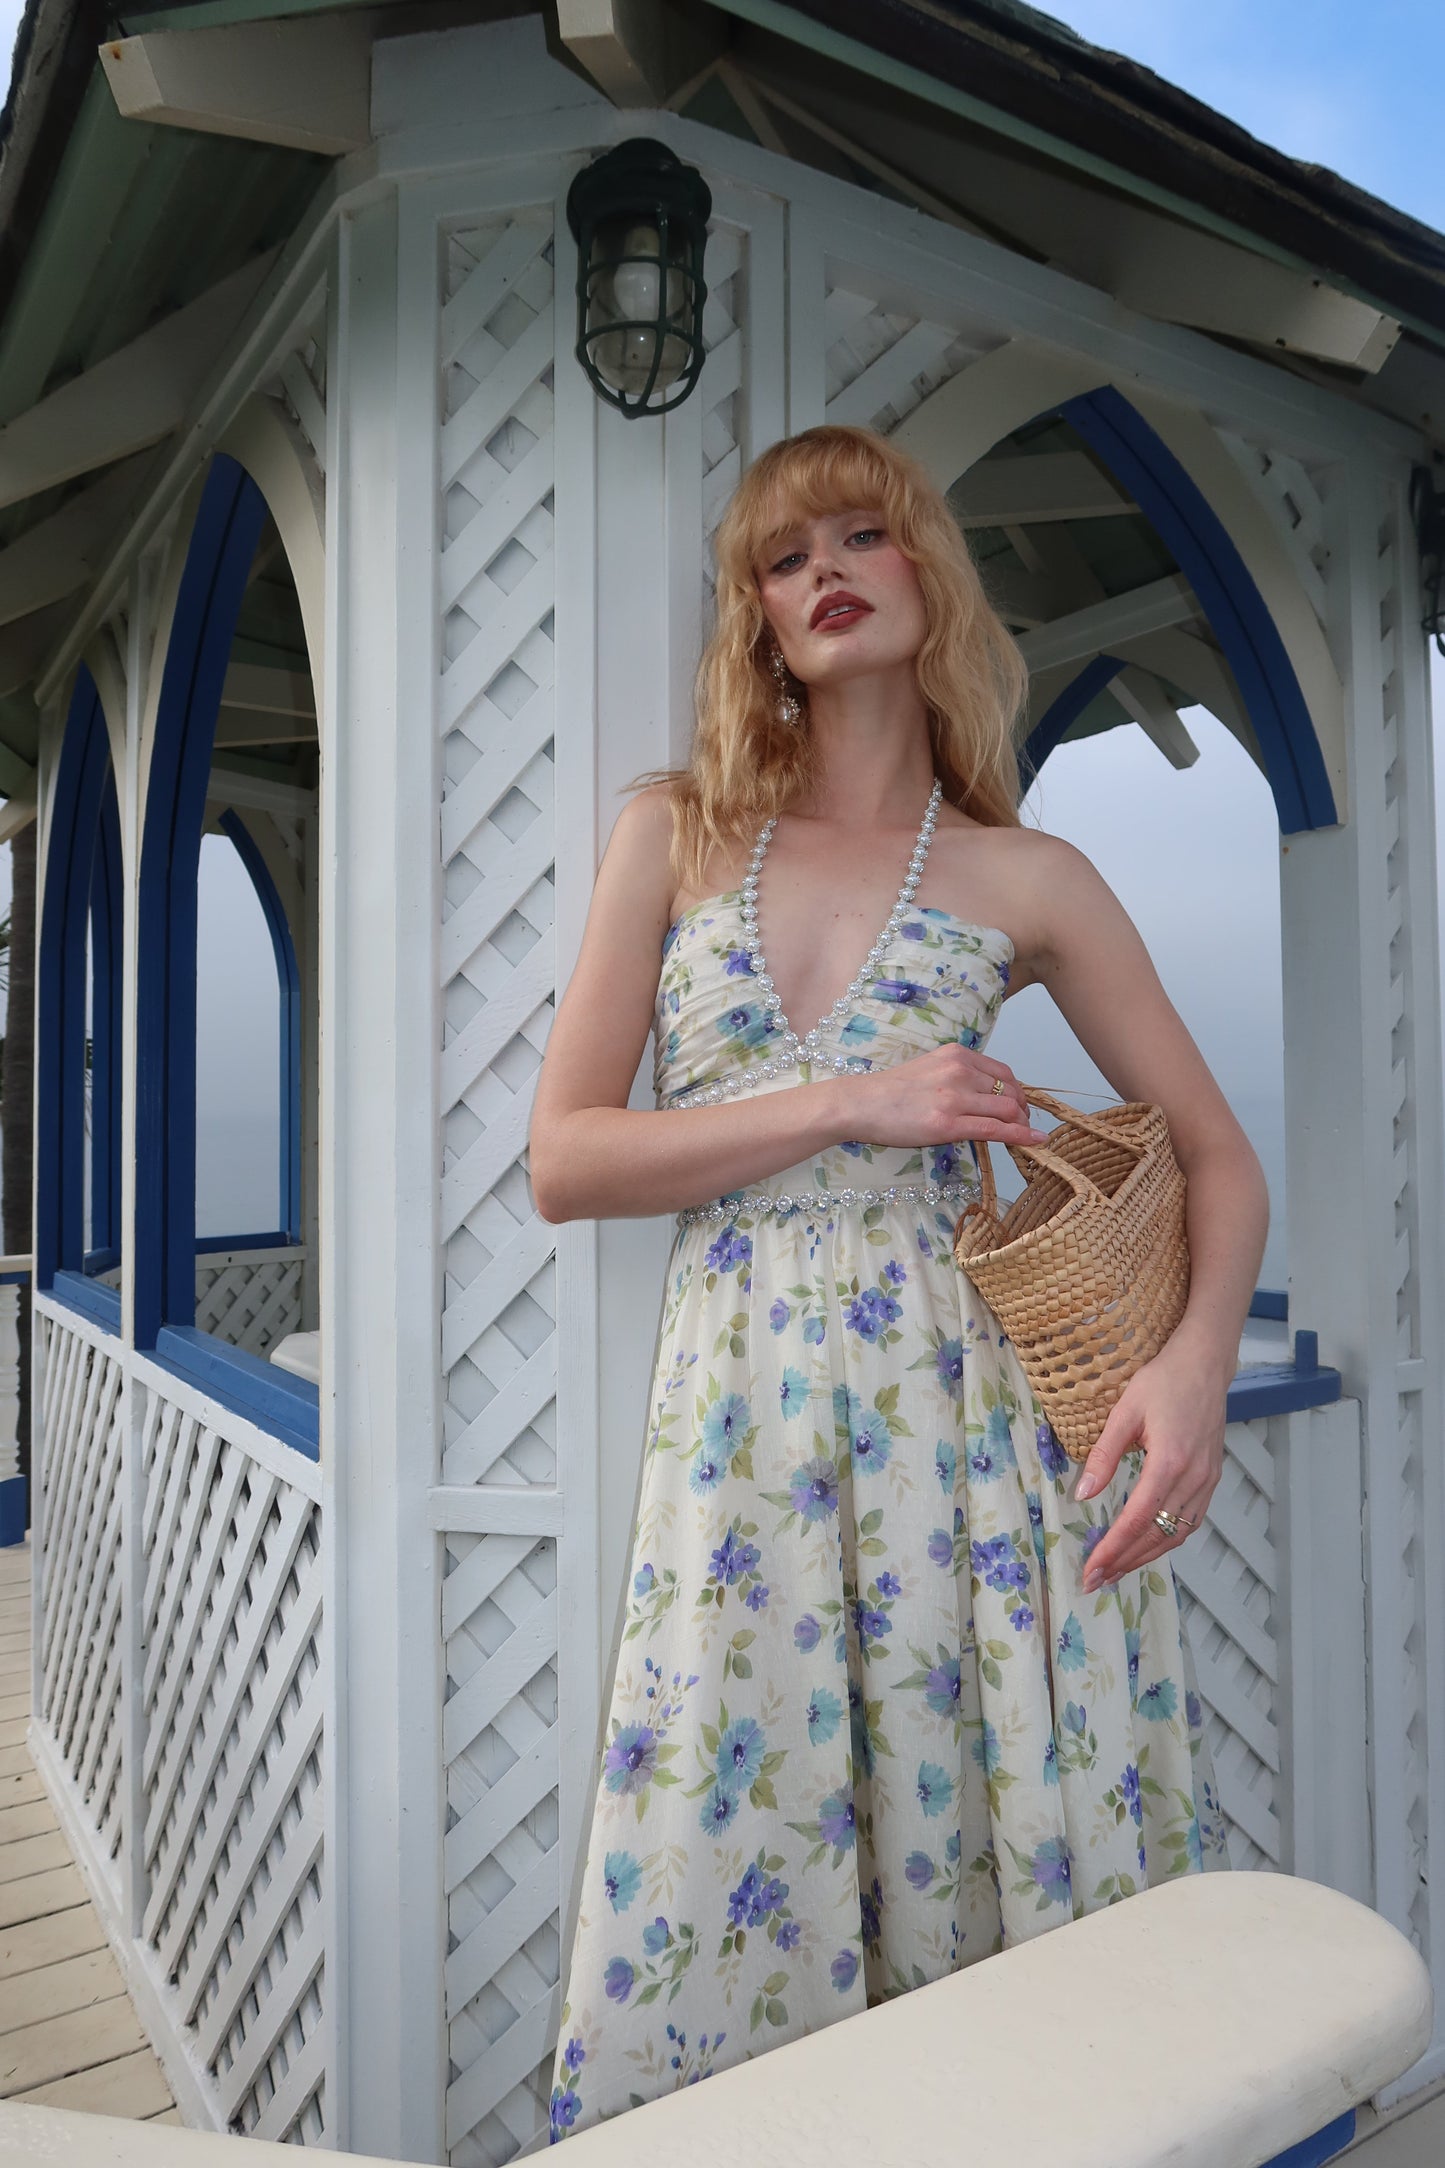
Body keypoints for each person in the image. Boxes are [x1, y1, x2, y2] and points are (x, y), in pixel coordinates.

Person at [528, 423, 1268, 2142]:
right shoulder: (676, 834)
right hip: (744, 1449)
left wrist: (1189, 1373)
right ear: (758, 620)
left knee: (988, 1846)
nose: (823, 575)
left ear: (926, 577)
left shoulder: (1029, 879)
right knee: (740, 1842)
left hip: (977, 1445)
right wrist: (860, 1099)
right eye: (784, 561)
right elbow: (567, 1159)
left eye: (862, 536)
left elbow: (1218, 1157)